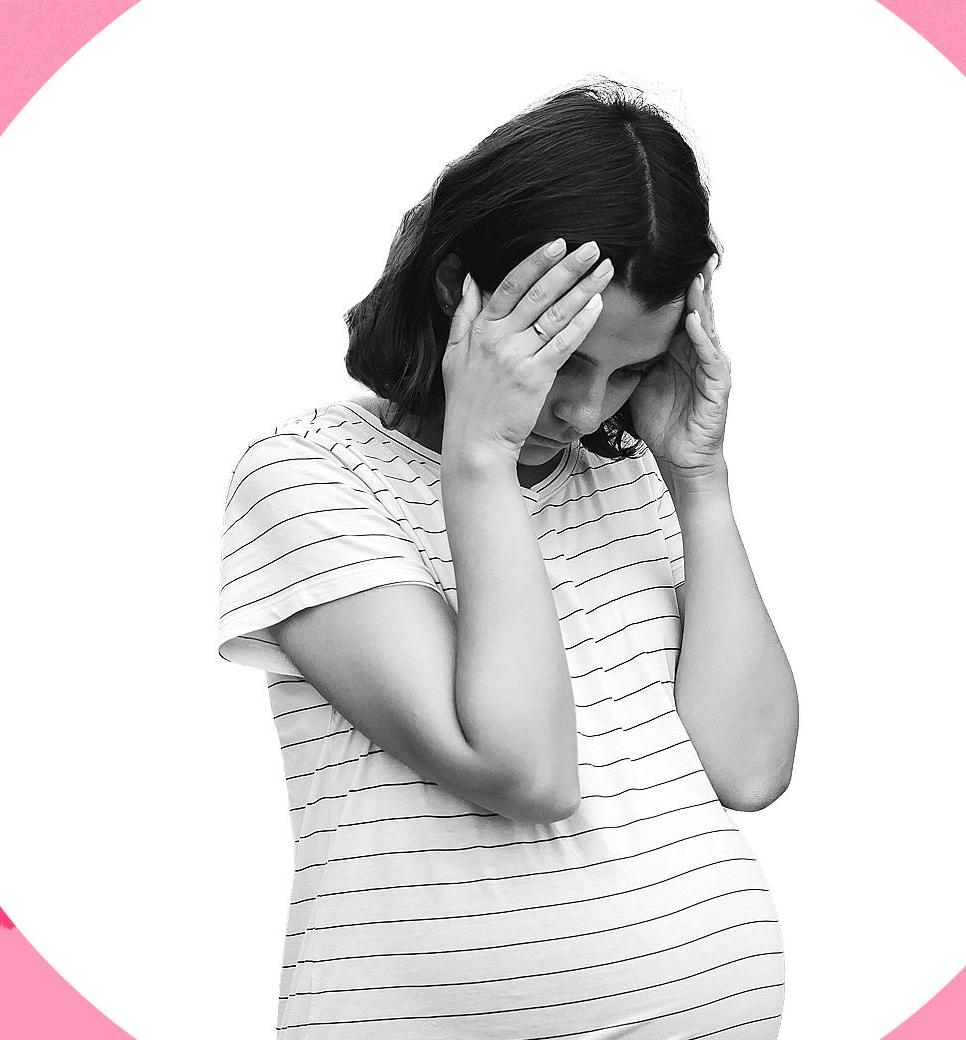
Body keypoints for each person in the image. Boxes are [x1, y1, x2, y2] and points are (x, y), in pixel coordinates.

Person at [217, 78, 798, 1038]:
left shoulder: (622, 479)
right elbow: (526, 770)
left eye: (630, 372)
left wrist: (699, 481)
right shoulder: (309, 474)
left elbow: (748, 767)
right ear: (460, 291)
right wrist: (479, 456)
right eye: (564, 359)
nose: (583, 411)